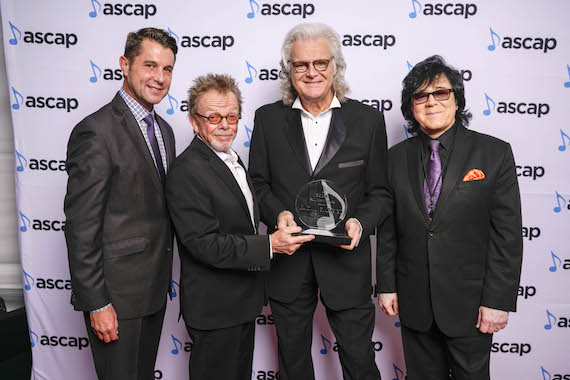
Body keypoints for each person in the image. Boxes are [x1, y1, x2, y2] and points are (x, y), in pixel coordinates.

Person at [248, 23, 391, 380]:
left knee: (360, 362)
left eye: (320, 63)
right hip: (288, 261)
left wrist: (361, 222)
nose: (311, 72)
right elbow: (258, 183)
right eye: (301, 65)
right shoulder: (267, 119)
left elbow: (380, 193)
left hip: (346, 262)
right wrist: (277, 213)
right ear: (290, 70)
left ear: (335, 66)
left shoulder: (368, 121)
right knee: (293, 365)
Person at [377, 55, 523, 380]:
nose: (431, 102)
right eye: (420, 95)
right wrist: (386, 285)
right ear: (411, 106)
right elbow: (388, 231)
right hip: (415, 304)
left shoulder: (494, 154)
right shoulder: (393, 159)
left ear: (457, 101)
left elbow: (507, 237)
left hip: (471, 306)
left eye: (441, 93)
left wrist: (498, 301)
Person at [165, 73, 313, 380]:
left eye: (231, 116)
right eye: (213, 116)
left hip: (241, 304)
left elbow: (241, 218)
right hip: (215, 309)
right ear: (195, 122)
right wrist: (270, 245)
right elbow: (204, 243)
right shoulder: (187, 170)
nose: (224, 124)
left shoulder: (230, 159)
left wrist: (279, 216)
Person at [64, 28, 177, 380]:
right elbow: (81, 228)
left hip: (154, 292)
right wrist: (97, 303)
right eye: (150, 65)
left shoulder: (165, 130)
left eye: (168, 69)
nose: (159, 78)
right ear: (124, 65)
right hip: (116, 298)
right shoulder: (96, 132)